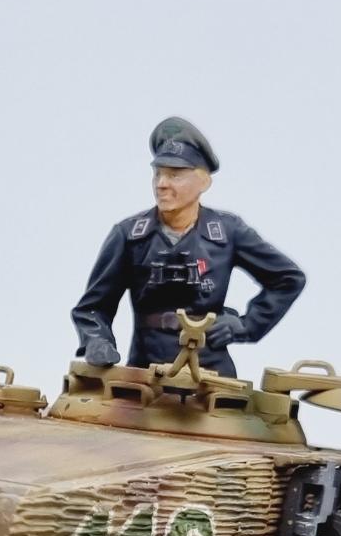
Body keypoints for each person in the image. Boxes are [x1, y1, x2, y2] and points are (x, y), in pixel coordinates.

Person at [71, 117, 306, 377]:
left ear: (203, 182)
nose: (161, 183)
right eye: (158, 173)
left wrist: (245, 325)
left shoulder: (228, 232)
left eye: (175, 174)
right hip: (146, 370)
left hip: (211, 371)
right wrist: (97, 340)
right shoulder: (130, 235)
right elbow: (92, 307)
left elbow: (288, 278)